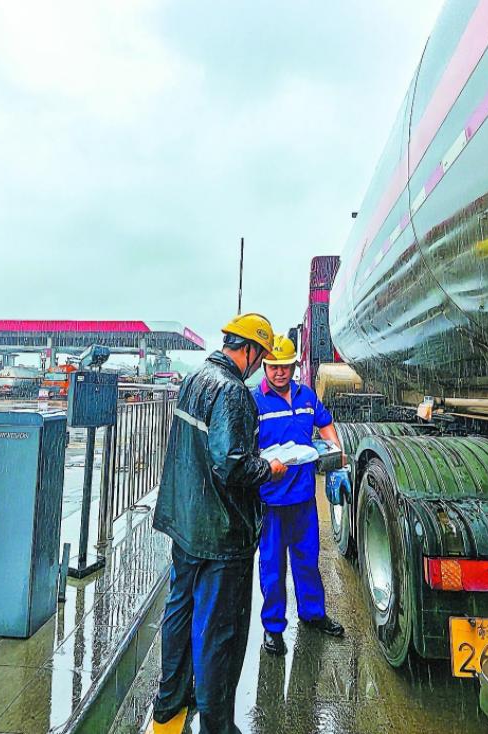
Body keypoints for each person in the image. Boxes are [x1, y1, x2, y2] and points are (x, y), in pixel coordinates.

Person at [150, 313, 288, 734]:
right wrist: (269, 468)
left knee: (180, 611)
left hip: (186, 522)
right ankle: (217, 724)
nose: (260, 364)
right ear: (250, 350)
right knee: (220, 634)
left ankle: (170, 698)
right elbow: (231, 464)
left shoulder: (195, 378)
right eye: (261, 356)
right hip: (220, 533)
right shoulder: (232, 391)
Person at [251, 335, 345, 656]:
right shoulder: (255, 401)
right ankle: (273, 627)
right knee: (273, 567)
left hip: (304, 499)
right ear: (265, 366)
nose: (279, 372)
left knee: (307, 561)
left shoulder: (307, 396)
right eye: (273, 367)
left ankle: (313, 614)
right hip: (271, 501)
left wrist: (335, 452)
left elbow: (325, 423)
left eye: (285, 366)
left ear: (294, 366)